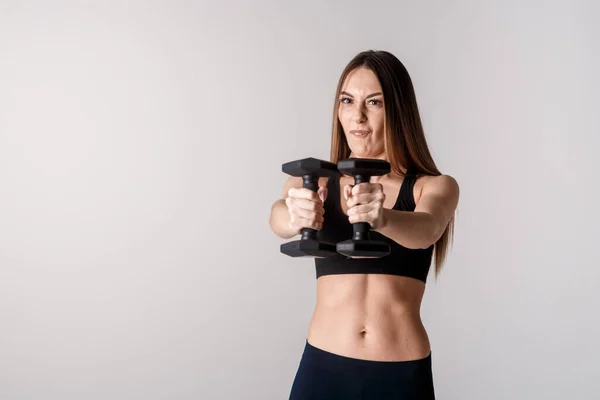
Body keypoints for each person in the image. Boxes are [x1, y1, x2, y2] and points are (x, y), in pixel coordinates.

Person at [269, 50, 460, 399]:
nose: (357, 116)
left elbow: (427, 229)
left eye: (374, 102)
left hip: (400, 374)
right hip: (323, 368)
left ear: (398, 110)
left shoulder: (432, 186)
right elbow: (278, 215)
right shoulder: (316, 182)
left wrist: (382, 217)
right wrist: (294, 216)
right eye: (347, 101)